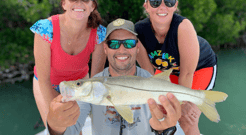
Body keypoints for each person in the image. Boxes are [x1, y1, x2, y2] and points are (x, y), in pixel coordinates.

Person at [46, 18, 189, 135]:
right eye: (113, 44)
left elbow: (174, 129)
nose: (122, 49)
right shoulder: (92, 87)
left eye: (129, 43)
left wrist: (166, 130)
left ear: (137, 47)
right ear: (105, 48)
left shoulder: (150, 79)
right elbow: (71, 131)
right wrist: (55, 126)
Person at [135, 0, 217, 134]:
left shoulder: (183, 27)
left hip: (199, 69)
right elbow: (149, 74)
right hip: (168, 71)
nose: (162, 6)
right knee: (158, 109)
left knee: (187, 119)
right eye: (155, 2)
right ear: (146, 6)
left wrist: (184, 103)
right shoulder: (139, 31)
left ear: (175, 5)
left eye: (169, 1)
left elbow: (187, 73)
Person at [30, 0, 107, 128]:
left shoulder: (99, 34)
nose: (79, 3)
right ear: (64, 3)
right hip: (46, 84)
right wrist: (58, 111)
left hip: (80, 85)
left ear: (93, 6)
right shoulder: (46, 29)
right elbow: (44, 80)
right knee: (58, 128)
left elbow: (96, 80)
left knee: (75, 128)